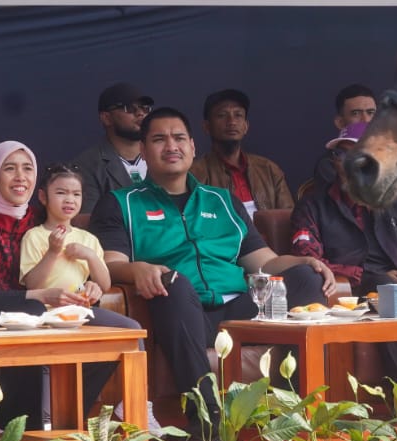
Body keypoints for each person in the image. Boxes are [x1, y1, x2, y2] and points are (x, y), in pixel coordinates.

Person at [91, 107, 336, 419]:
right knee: (174, 282)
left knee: (304, 278)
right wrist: (137, 268)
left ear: (193, 147)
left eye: (179, 138)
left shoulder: (222, 200)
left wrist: (303, 261)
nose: (171, 146)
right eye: (159, 139)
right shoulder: (121, 203)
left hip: (240, 311)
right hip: (180, 311)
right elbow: (110, 263)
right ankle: (205, 418)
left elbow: (264, 262)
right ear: (143, 150)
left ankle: (297, 410)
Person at [0, 141, 126, 426]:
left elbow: (77, 256)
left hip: (53, 306)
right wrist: (39, 294)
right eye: (9, 168)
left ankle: (70, 416)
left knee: (119, 332)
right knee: (32, 311)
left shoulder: (37, 217)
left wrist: (92, 283)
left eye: (27, 168)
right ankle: (17, 424)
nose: (20, 177)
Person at [290, 121, 397, 380]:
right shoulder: (313, 205)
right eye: (340, 155)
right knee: (384, 288)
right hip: (349, 292)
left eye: (355, 155)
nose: (347, 163)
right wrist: (358, 274)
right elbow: (307, 257)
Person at [193, 88, 294, 215]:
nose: (232, 122)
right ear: (207, 127)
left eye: (238, 115)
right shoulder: (195, 174)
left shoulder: (269, 170)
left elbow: (288, 217)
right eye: (222, 115)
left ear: (246, 126)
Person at [21, 164, 113, 298]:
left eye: (76, 194)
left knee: (125, 321)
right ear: (43, 197)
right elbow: (32, 285)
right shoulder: (33, 236)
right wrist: (52, 252)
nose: (70, 200)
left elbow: (105, 285)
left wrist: (90, 256)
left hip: (79, 307)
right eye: (61, 193)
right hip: (45, 309)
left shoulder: (88, 239)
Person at [70, 83, 152, 216]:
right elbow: (82, 220)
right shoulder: (86, 165)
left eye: (145, 108)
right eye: (130, 108)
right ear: (106, 118)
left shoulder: (162, 156)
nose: (140, 113)